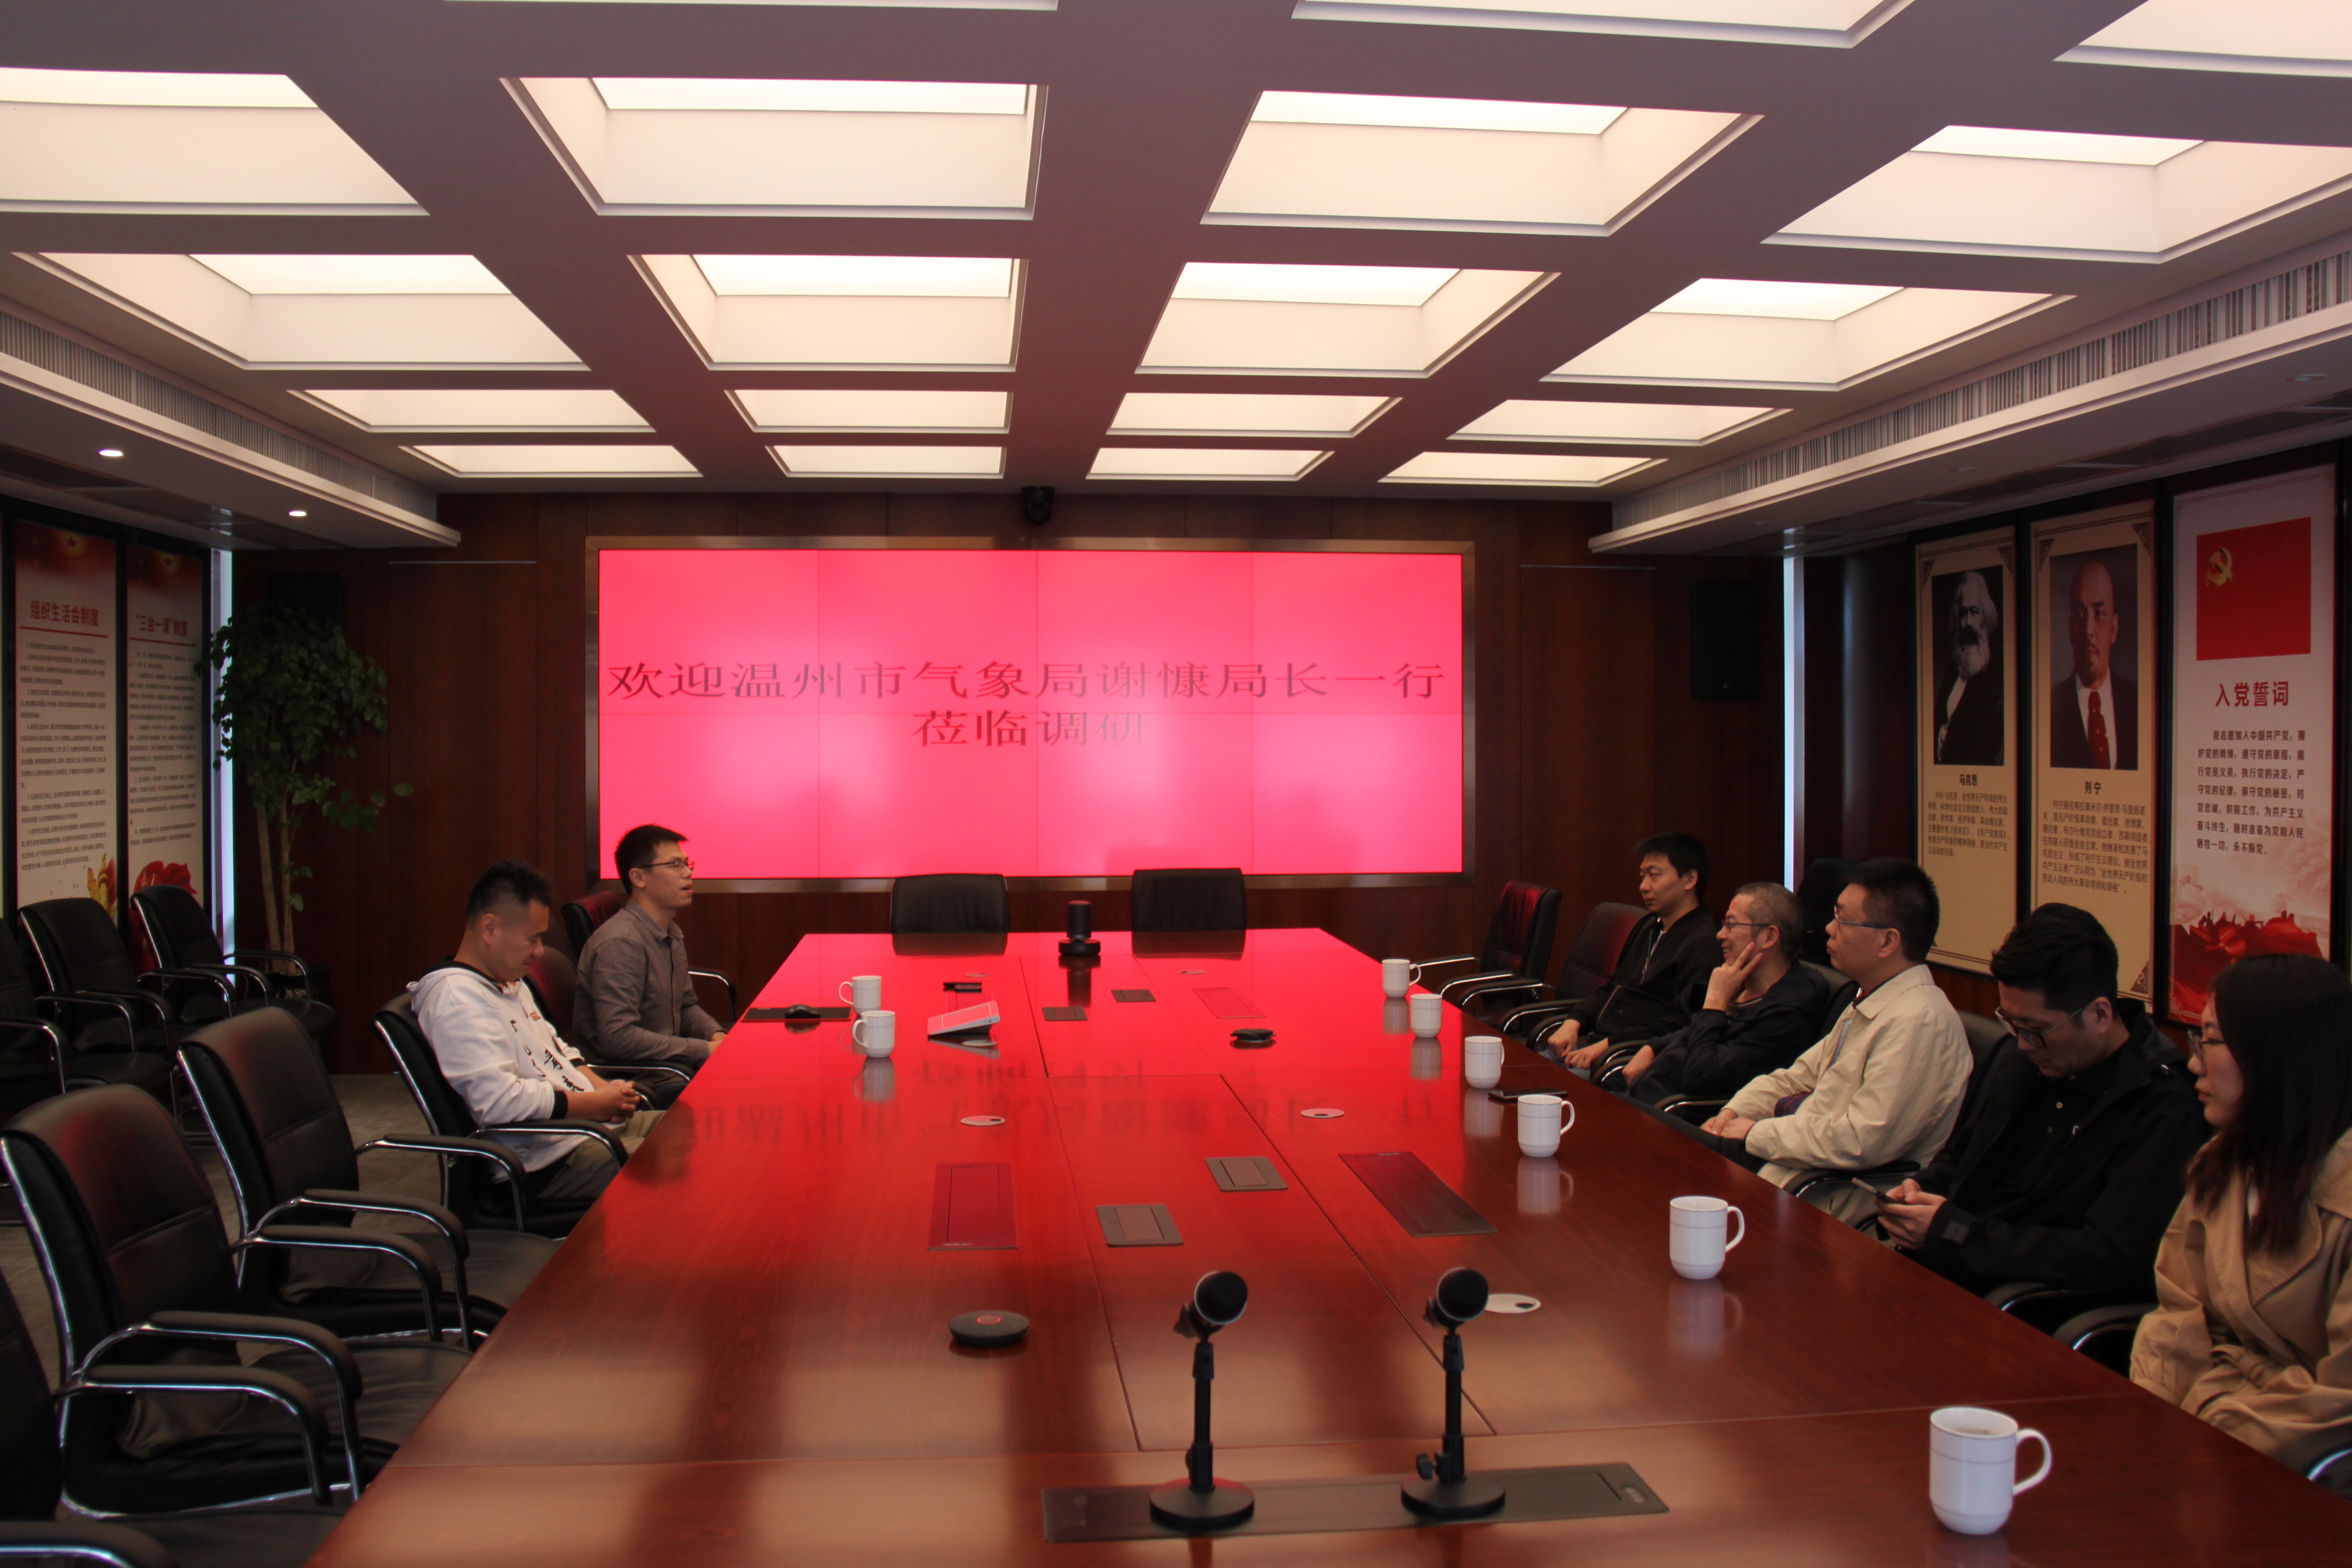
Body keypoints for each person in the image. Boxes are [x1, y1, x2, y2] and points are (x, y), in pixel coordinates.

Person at [1876, 904, 2205, 1298]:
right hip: (1949, 1268)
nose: (2023, 1044)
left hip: (2030, 1303)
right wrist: (1916, 1193)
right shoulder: (2022, 1061)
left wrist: (1957, 1234)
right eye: (2012, 1024)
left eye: (2036, 1030)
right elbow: (1962, 1157)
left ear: (2100, 1016)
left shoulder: (2162, 1103)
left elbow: (2112, 1256)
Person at [1645, 858, 1972, 1225]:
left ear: (1887, 941)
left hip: (1829, 1192)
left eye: (1843, 920)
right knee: (1656, 1143)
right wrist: (1734, 1114)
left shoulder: (1919, 1021)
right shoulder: (1872, 1000)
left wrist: (1755, 1132)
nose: (1829, 929)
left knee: (1659, 1151)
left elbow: (1860, 1139)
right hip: (1793, 1163)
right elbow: (1795, 1077)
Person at [2131, 954, 2352, 1460]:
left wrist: (2213, 1422)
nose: (2194, 1063)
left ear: (2277, 1056)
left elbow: (2339, 1403)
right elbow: (2178, 1314)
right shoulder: (2222, 1163)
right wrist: (2152, 1420)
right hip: (2210, 1418)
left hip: (2305, 1462)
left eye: (2209, 1042)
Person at [413, 859, 661, 1208]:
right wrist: (593, 1104)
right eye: (533, 939)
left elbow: (557, 1050)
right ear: (490, 929)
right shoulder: (457, 998)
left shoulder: (509, 982)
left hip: (586, 1128)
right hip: (548, 1162)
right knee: (683, 1164)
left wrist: (604, 1091)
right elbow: (498, 1103)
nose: (540, 951)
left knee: (695, 1132)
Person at [1611, 882, 1835, 1106]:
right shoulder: (1743, 983)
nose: (1720, 935)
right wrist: (1654, 1046)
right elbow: (1692, 1032)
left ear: (1769, 937)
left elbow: (1700, 1077)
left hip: (1672, 1112)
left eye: (1731, 925)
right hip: (1645, 1087)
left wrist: (1715, 1004)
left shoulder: (1787, 1016)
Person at [575, 823, 726, 1095]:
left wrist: (717, 1036)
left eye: (687, 864)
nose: (688, 872)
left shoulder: (669, 931)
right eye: (675, 865)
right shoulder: (621, 943)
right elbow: (618, 1038)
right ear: (639, 878)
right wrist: (703, 1050)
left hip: (665, 1065)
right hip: (631, 1079)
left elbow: (686, 1007)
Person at [1541, 833, 1716, 1066]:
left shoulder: (1706, 941)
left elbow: (1682, 1022)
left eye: (1654, 875)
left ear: (1690, 879)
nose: (1644, 887)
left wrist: (1610, 1045)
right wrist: (1575, 1021)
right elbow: (1614, 987)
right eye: (1643, 876)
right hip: (1599, 1043)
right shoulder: (1649, 927)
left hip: (1630, 1058)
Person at [2049, 555, 2137, 770]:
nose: (2089, 630)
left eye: (2099, 614)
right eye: (2081, 615)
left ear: (2114, 628)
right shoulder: (2049, 707)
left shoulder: (2138, 704)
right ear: (2071, 629)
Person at [1932, 569, 2004, 767]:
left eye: (1974, 612)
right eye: (1963, 614)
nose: (1967, 623)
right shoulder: (1951, 673)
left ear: (1985, 618)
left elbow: (1990, 754)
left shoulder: (1996, 683)